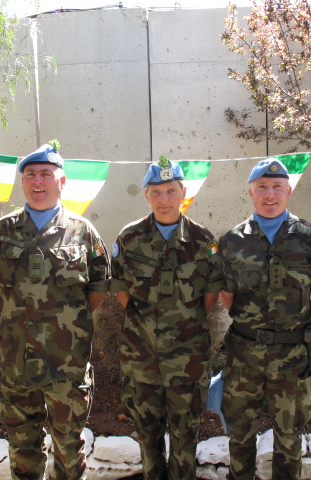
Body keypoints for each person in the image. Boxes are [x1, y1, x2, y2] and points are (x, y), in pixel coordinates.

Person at [0, 143, 110, 480]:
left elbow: (98, 288)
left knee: (70, 449)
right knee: (22, 448)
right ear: (23, 183)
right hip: (17, 363)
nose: (37, 181)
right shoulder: (2, 232)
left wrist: (67, 324)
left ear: (62, 181)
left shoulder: (84, 232)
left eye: (46, 174)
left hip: (66, 365)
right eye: (30, 175)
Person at [218, 158, 311, 480]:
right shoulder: (232, 240)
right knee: (240, 435)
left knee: (289, 437)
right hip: (245, 356)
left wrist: (304, 321)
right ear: (250, 192)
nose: (270, 194)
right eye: (262, 187)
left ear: (289, 190)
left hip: (293, 357)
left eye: (277, 187)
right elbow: (227, 294)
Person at [110, 157, 223, 480]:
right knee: (148, 436)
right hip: (141, 357)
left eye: (171, 191)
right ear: (146, 195)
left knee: (186, 436)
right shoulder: (129, 239)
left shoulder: (203, 241)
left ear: (183, 192)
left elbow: (210, 296)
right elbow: (121, 290)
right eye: (156, 192)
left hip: (188, 359)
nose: (164, 199)